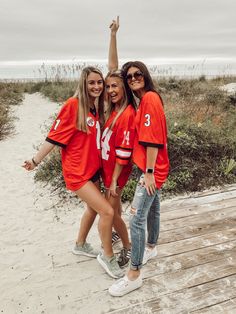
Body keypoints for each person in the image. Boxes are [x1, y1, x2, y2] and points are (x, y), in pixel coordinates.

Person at [22, 66, 124, 279]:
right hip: (77, 173)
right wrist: (35, 160)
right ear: (83, 84)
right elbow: (53, 137)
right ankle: (108, 256)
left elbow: (114, 66)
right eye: (91, 83)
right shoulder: (73, 105)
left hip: (92, 170)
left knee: (93, 210)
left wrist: (113, 36)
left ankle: (80, 244)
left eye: (99, 83)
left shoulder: (95, 106)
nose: (97, 87)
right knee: (107, 211)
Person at [108, 29, 169, 295]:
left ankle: (134, 276)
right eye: (129, 76)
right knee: (153, 209)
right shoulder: (140, 102)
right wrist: (113, 36)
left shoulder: (151, 99)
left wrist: (150, 172)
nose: (132, 78)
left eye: (137, 74)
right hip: (150, 167)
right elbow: (112, 69)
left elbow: (153, 139)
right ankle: (152, 248)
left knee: (136, 219)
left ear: (145, 76)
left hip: (150, 169)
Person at [100, 17, 135, 268]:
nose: (111, 89)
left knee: (111, 212)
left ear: (124, 89)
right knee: (114, 208)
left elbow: (124, 153)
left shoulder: (127, 115)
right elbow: (113, 66)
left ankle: (129, 247)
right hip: (107, 168)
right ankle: (118, 232)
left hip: (116, 172)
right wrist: (113, 35)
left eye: (115, 86)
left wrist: (113, 180)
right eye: (108, 86)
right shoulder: (112, 109)